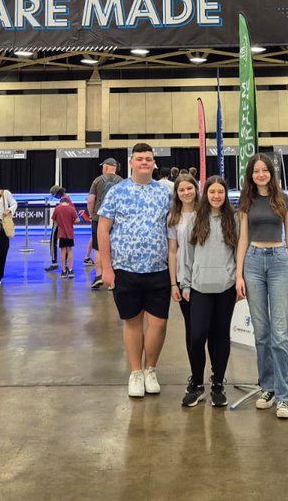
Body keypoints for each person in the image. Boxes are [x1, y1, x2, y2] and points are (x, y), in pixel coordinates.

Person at [97, 143, 172, 399]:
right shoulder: (117, 192)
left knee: (159, 323)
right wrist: (106, 268)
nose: (144, 162)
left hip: (158, 269)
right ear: (130, 162)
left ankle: (151, 368)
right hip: (125, 269)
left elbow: (175, 231)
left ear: (154, 163)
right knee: (132, 321)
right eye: (139, 158)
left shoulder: (164, 193)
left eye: (148, 159)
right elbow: (103, 230)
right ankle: (136, 372)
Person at [235, 153, 288, 419]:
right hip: (252, 262)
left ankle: (284, 396)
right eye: (256, 171)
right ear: (250, 175)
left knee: (280, 333)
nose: (260, 174)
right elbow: (242, 238)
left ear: (271, 173)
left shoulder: (283, 199)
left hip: (278, 262)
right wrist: (238, 274)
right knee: (261, 332)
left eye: (265, 170)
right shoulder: (246, 201)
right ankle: (268, 388)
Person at [180, 176, 239, 408]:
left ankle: (217, 384)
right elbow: (186, 256)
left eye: (220, 192)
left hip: (226, 288)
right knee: (197, 337)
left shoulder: (233, 220)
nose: (216, 196)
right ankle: (196, 383)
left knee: (220, 336)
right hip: (199, 288)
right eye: (212, 192)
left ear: (225, 195)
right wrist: (185, 284)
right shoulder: (195, 220)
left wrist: (237, 280)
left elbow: (238, 253)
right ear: (206, 194)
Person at [166, 173, 199, 369]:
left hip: (206, 277)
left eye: (189, 188)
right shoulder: (174, 218)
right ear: (176, 193)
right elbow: (172, 251)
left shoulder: (206, 212)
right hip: (182, 278)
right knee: (191, 327)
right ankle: (195, 372)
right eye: (182, 190)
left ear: (196, 189)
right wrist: (173, 283)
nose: (186, 193)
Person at [86, 157, 121, 275]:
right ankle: (113, 277)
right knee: (115, 248)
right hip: (116, 219)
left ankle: (99, 275)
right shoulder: (122, 181)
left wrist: (91, 215)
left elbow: (90, 200)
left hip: (99, 218)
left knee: (98, 248)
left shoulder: (97, 180)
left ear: (106, 167)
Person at [51, 187, 78, 277]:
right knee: (69, 249)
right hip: (69, 230)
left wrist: (60, 223)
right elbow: (76, 218)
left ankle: (61, 266)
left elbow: (54, 218)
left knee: (59, 246)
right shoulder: (68, 201)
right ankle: (69, 268)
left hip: (62, 229)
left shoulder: (60, 207)